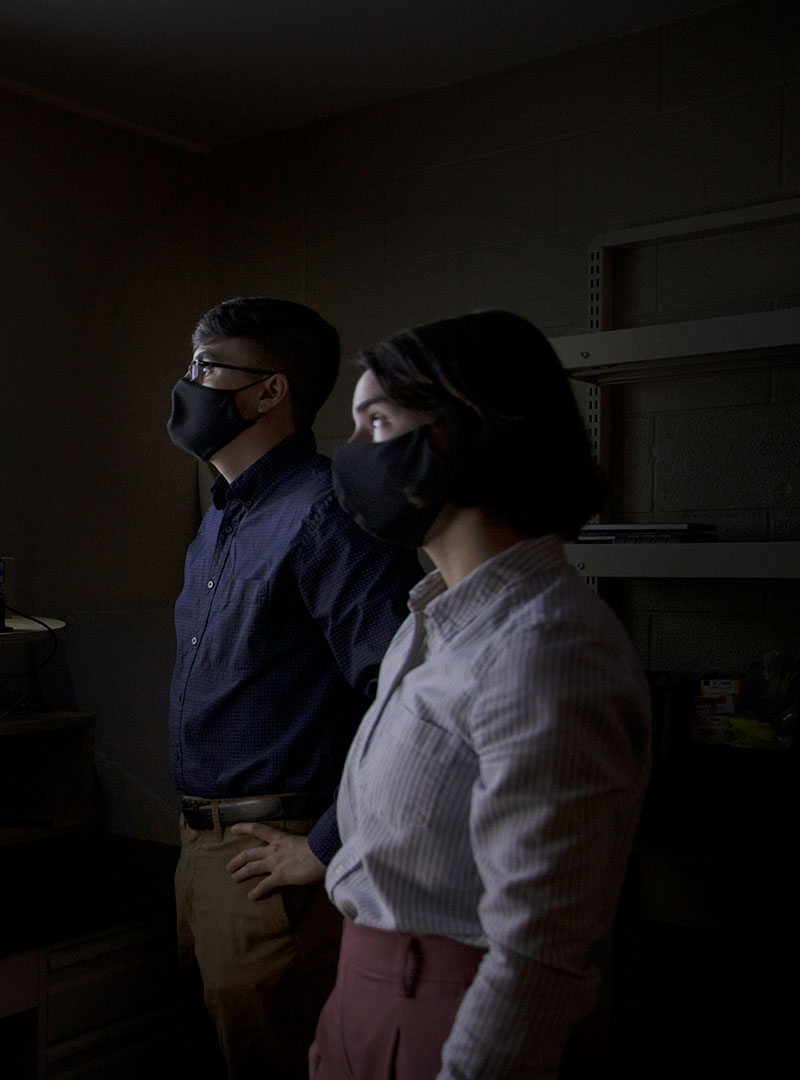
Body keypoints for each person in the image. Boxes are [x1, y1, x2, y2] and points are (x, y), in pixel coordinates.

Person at [314, 310, 651, 1079]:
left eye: (377, 423)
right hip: (368, 1004)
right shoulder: (431, 619)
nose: (354, 454)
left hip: (458, 1025)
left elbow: (537, 953)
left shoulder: (549, 649)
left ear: (457, 436)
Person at [166, 298, 424, 1078]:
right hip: (201, 855)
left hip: (273, 863)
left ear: (270, 392)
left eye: (207, 368)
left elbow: (408, 698)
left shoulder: (324, 516)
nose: (187, 386)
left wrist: (326, 849)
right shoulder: (223, 521)